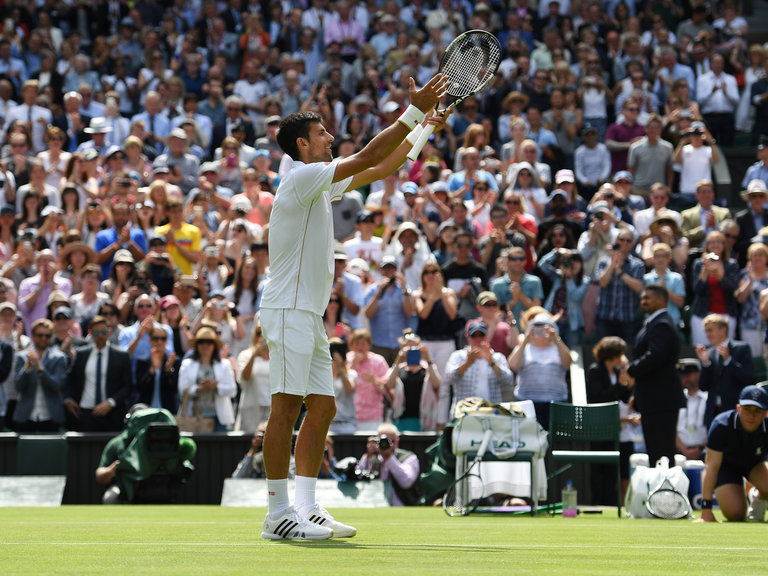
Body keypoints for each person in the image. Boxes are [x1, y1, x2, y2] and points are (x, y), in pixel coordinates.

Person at [258, 75, 448, 540]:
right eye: (322, 133)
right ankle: (277, 513)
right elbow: (365, 157)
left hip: (308, 316)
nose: (330, 137)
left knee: (321, 409)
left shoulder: (318, 185)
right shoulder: (300, 177)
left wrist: (424, 123)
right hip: (287, 310)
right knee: (285, 408)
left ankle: (306, 505)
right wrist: (411, 110)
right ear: (302, 145)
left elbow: (383, 169)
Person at [627, 284, 686, 466]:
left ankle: (667, 494)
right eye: (642, 298)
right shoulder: (654, 323)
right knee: (656, 454)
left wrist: (631, 369)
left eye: (648, 298)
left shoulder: (661, 324)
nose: (643, 301)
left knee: (663, 455)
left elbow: (655, 356)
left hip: (661, 400)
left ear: (661, 300)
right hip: (653, 400)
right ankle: (659, 493)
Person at [95, 404, 196, 504]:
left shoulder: (169, 441)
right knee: (110, 498)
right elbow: (100, 475)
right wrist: (111, 470)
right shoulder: (117, 443)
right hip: (125, 491)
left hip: (163, 489)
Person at [698, 386, 768, 522]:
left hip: (755, 464)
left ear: (765, 413)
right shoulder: (721, 424)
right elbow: (711, 467)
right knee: (736, 514)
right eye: (747, 409)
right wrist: (706, 511)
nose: (752, 415)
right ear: (738, 408)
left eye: (757, 410)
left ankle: (757, 497)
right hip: (725, 468)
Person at [586, 336, 636, 504]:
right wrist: (618, 386)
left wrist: (626, 385)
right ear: (613, 354)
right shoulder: (595, 371)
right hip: (599, 428)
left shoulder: (616, 372)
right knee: (599, 470)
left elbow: (621, 396)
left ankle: (611, 504)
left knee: (611, 471)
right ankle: (598, 504)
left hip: (614, 429)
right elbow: (598, 397)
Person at [440, 321, 514, 429]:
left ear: (487, 336)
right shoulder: (458, 356)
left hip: (492, 415)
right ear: (468, 337)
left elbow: (509, 381)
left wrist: (491, 361)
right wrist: (467, 363)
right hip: (464, 415)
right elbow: (448, 379)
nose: (478, 339)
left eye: (481, 335)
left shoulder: (497, 357)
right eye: (474, 335)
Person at [64, 315, 132, 432]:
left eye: (104, 332)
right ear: (90, 333)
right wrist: (68, 399)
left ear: (109, 331)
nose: (100, 336)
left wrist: (111, 402)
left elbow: (128, 386)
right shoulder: (81, 354)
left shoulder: (121, 356)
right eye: (96, 333)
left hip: (112, 413)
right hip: (84, 413)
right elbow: (70, 379)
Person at [508, 312, 571, 429]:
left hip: (556, 403)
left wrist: (556, 339)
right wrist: (525, 341)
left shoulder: (558, 347)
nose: (541, 331)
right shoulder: (524, 348)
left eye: (545, 327)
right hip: (528, 403)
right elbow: (513, 365)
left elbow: (567, 363)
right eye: (537, 327)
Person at [695, 314, 753, 429]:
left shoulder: (741, 348)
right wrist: (706, 364)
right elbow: (703, 386)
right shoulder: (709, 354)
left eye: (710, 330)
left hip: (735, 413)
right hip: (714, 414)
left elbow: (748, 379)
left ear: (723, 330)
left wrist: (729, 361)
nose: (708, 335)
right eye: (706, 331)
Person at [12, 318, 68, 432]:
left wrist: (40, 368)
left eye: (47, 336)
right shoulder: (22, 357)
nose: (43, 338)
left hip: (50, 417)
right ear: (32, 336)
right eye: (40, 335)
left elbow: (56, 386)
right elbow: (18, 387)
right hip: (26, 417)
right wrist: (27, 368)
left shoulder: (59, 357)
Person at [178, 326, 237, 432]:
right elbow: (182, 389)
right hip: (193, 417)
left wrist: (215, 387)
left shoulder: (224, 364)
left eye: (209, 342)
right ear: (197, 345)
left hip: (219, 419)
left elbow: (232, 390)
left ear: (214, 346)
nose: (205, 345)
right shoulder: (187, 364)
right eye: (201, 342)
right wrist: (200, 389)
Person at [386, 331, 441, 432]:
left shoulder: (427, 368)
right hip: (400, 420)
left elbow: (436, 384)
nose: (411, 350)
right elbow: (390, 385)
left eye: (414, 347)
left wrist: (428, 358)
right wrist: (398, 360)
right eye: (408, 348)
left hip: (423, 420)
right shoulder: (398, 369)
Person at [356, 423, 422, 506]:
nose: (387, 445)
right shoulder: (372, 457)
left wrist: (388, 458)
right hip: (374, 505)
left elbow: (406, 482)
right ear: (377, 441)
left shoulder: (409, 457)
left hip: (402, 508)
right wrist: (368, 456)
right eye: (382, 441)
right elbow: (358, 478)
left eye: (392, 441)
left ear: (397, 441)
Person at [134, 324, 179, 413]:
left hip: (167, 411)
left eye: (163, 338)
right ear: (150, 340)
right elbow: (140, 389)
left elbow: (174, 390)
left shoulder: (174, 361)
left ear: (166, 340)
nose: (159, 342)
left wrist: (168, 370)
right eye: (156, 338)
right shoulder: (142, 362)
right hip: (146, 411)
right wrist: (152, 370)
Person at [236, 325, 271, 433]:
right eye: (259, 333)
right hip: (252, 409)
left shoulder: (279, 355)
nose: (262, 337)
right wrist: (254, 355)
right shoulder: (245, 355)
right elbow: (244, 379)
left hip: (273, 409)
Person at [675, 358, 708, 462]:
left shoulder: (708, 399)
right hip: (680, 454)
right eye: (682, 376)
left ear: (698, 374)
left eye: (688, 375)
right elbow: (671, 427)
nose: (685, 379)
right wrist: (684, 450)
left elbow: (712, 427)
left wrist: (700, 448)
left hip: (704, 452)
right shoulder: (677, 398)